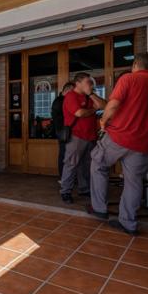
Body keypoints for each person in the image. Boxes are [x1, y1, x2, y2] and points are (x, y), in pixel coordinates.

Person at [89, 52, 148, 235]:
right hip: (143, 142)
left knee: (98, 163)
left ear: (134, 64)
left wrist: (103, 121)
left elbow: (114, 104)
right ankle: (128, 223)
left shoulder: (128, 79)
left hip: (119, 136)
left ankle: (99, 208)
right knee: (134, 182)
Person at [59, 73, 107, 203]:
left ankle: (84, 189)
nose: (90, 84)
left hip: (90, 135)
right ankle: (65, 191)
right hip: (76, 136)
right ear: (78, 83)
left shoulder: (89, 96)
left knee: (85, 165)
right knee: (71, 164)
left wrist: (91, 94)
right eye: (88, 82)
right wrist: (93, 110)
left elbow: (104, 106)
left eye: (91, 82)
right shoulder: (71, 96)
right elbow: (79, 113)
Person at [52, 81, 76, 182]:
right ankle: (63, 178)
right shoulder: (59, 101)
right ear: (68, 90)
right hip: (63, 132)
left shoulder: (62, 100)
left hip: (64, 131)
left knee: (66, 155)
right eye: (73, 91)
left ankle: (67, 178)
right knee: (64, 155)